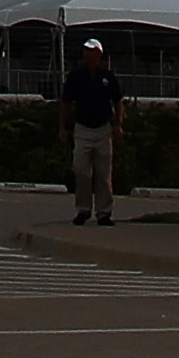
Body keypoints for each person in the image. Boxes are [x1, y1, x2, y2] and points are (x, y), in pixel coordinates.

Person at [57, 35, 125, 227]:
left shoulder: (107, 77)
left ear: (99, 54)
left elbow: (118, 101)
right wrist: (62, 128)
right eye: (86, 51)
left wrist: (118, 124)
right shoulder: (76, 76)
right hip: (82, 129)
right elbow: (66, 103)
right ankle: (83, 209)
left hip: (103, 129)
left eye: (92, 51)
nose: (88, 55)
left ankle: (104, 212)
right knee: (81, 171)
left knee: (103, 174)